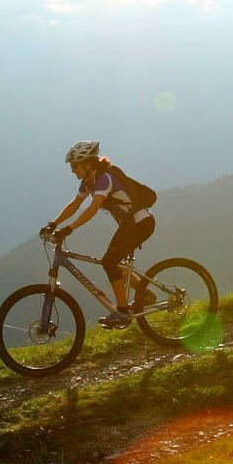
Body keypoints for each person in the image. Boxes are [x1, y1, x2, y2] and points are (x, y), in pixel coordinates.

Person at [41, 141, 156, 329]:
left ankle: (122, 311)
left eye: (74, 166)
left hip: (140, 223)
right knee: (115, 264)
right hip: (131, 224)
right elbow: (75, 204)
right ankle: (145, 293)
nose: (72, 170)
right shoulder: (89, 182)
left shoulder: (104, 179)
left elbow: (92, 209)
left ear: (87, 163)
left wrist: (69, 229)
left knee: (109, 262)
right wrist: (53, 223)